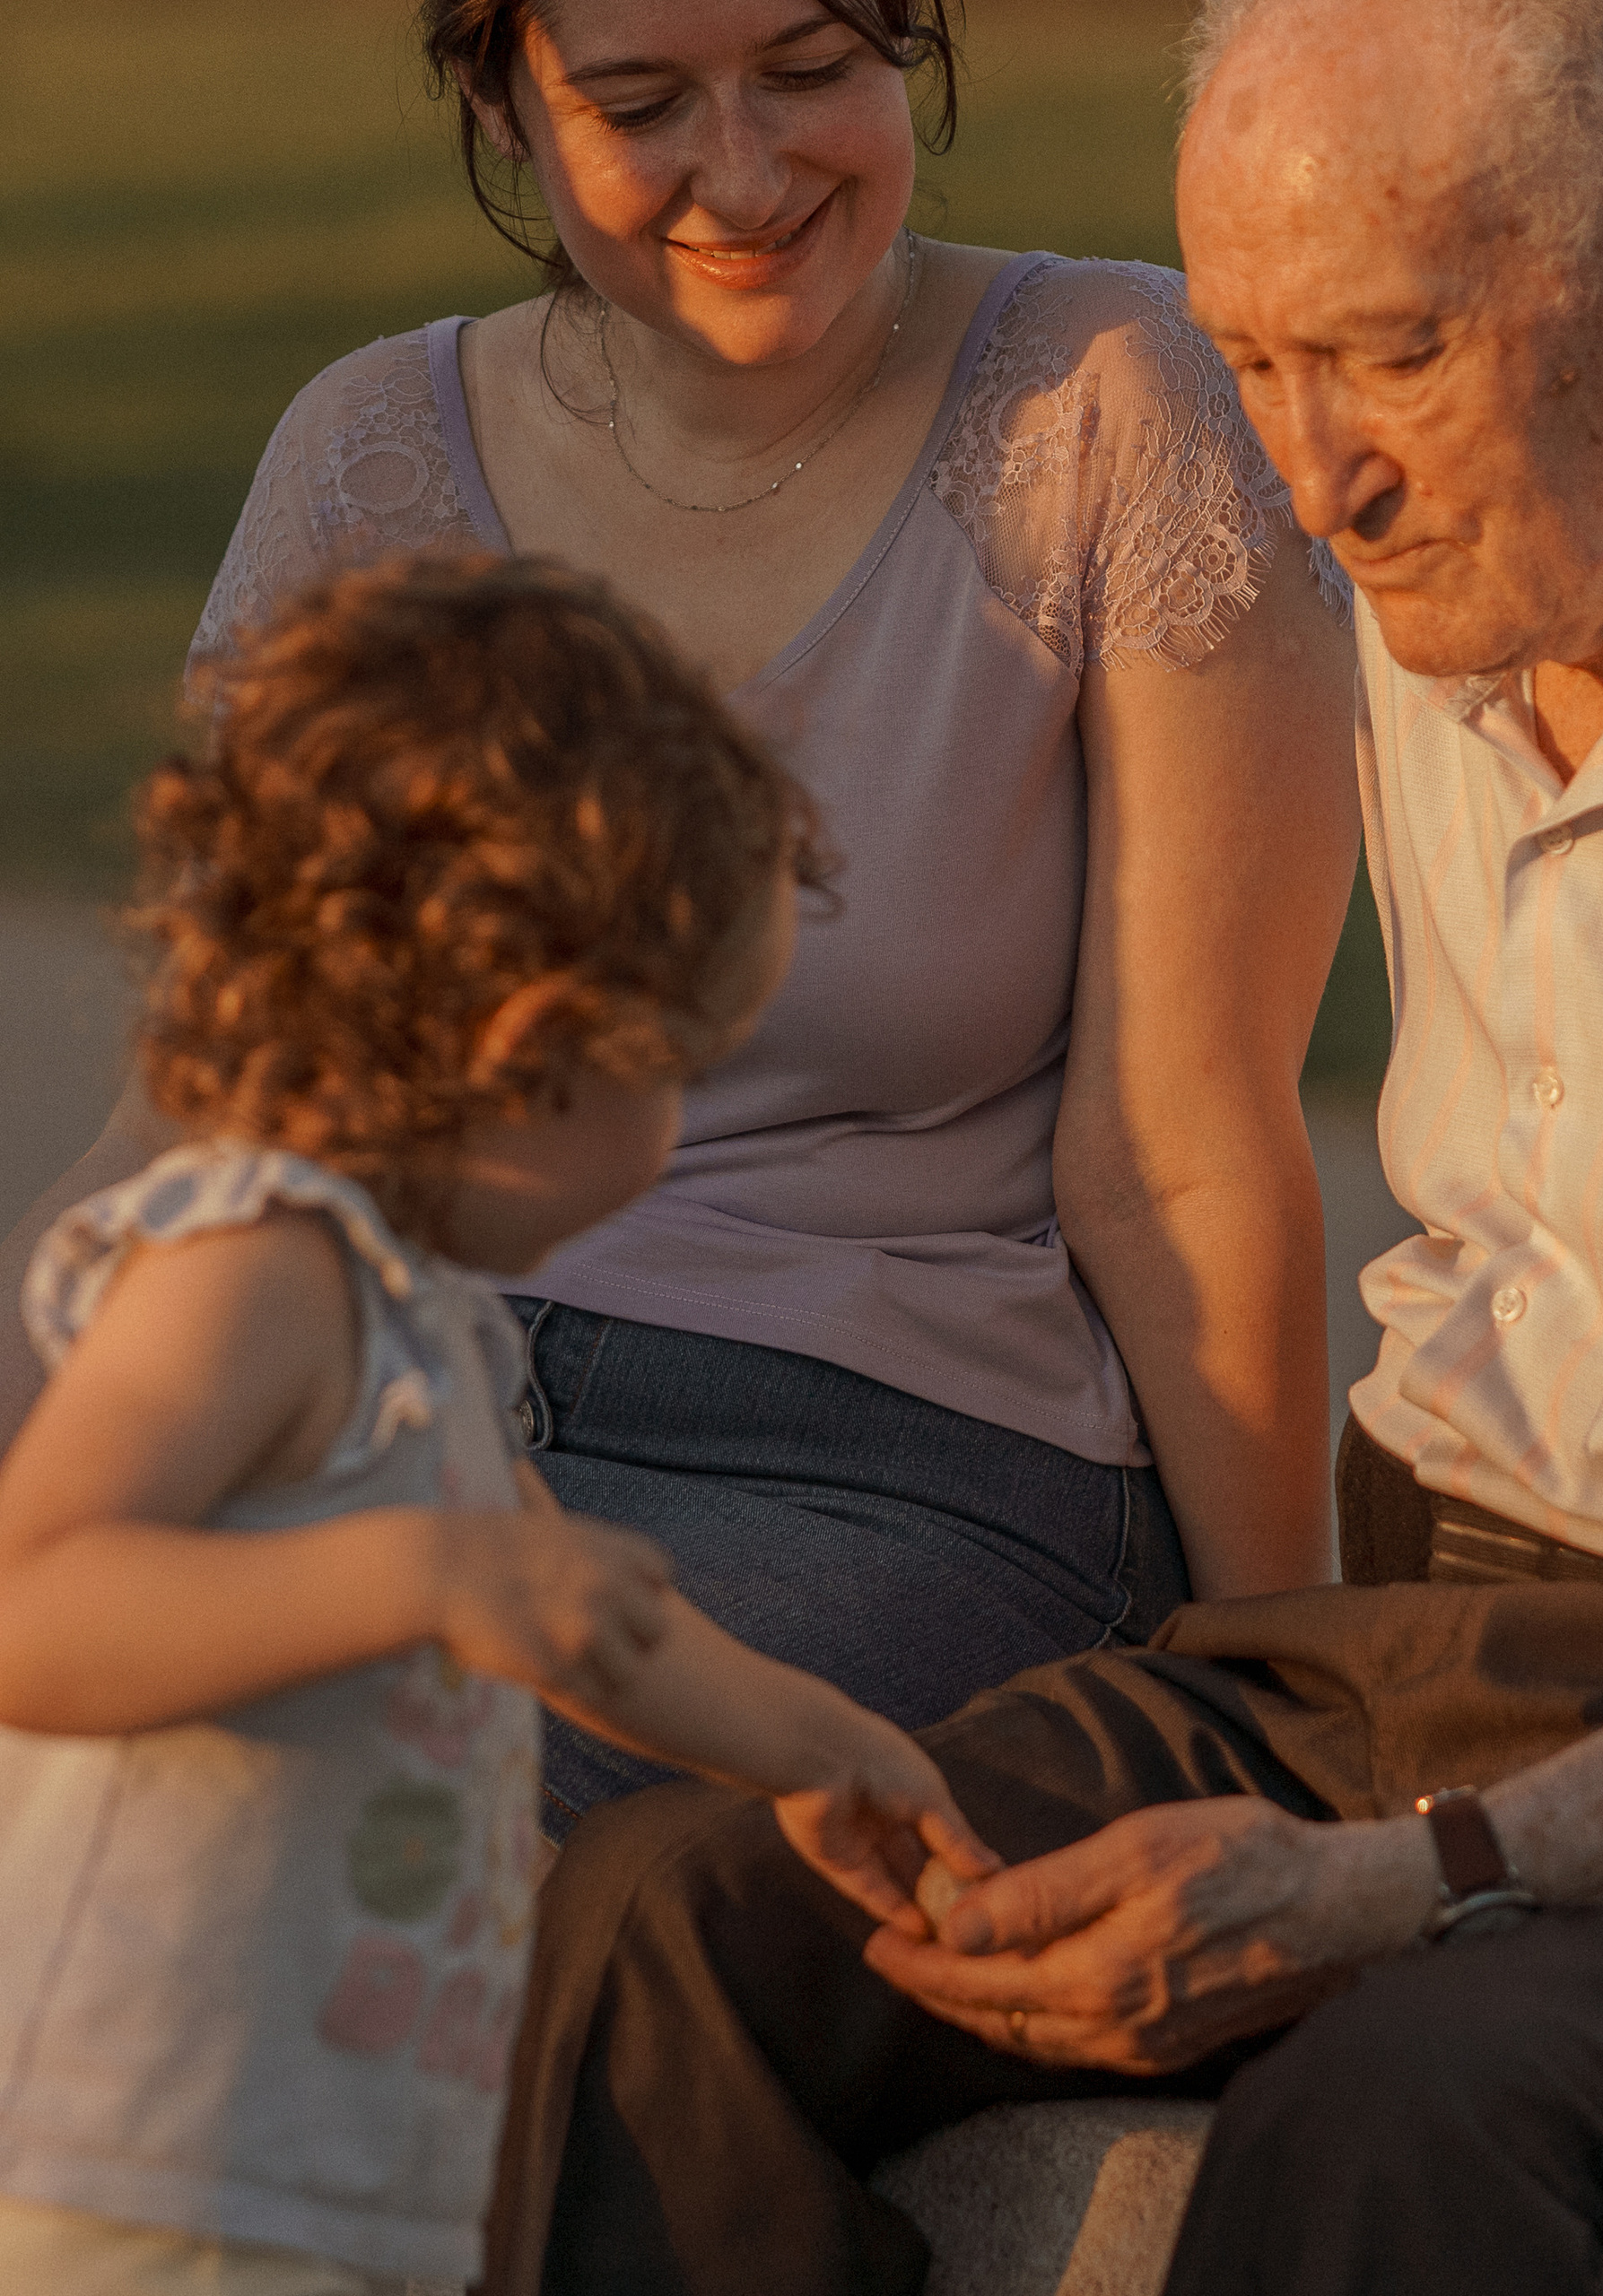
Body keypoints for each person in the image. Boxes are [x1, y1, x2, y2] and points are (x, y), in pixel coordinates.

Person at [476, 2, 1603, 2290]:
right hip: (1442, 1653)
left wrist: (1408, 1883)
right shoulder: (1460, 565)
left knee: (1399, 2103)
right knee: (666, 1919)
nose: (1312, 475)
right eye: (1251, 363)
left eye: (1392, 354)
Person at [0, 0, 1360, 1841]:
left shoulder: (1109, 396)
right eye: (641, 104)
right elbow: (192, 1115)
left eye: (808, 72)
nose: (745, 171)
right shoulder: (369, 452)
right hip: (400, 1417)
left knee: (364, 1796)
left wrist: (1285, 1704)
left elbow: (1181, 1147)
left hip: (899, 1461)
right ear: (501, 103)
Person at [0, 556, 1000, 2296]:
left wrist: (826, 1750)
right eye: (678, 1067)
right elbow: (37, 1607)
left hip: (332, 2179)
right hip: (140, 2174)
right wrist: (420, 1573)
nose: (679, 1128)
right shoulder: (252, 1267)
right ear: (534, 1043)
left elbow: (599, 1634)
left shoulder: (426, 1324)